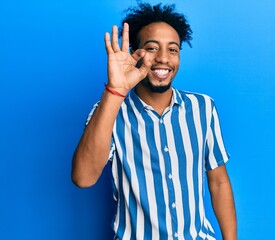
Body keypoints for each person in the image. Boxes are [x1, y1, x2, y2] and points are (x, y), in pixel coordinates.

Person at [72, 2, 237, 240]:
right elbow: (83, 178)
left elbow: (219, 182)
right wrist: (115, 91)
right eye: (151, 48)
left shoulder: (203, 108)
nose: (163, 59)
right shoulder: (109, 111)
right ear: (134, 54)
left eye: (173, 49)